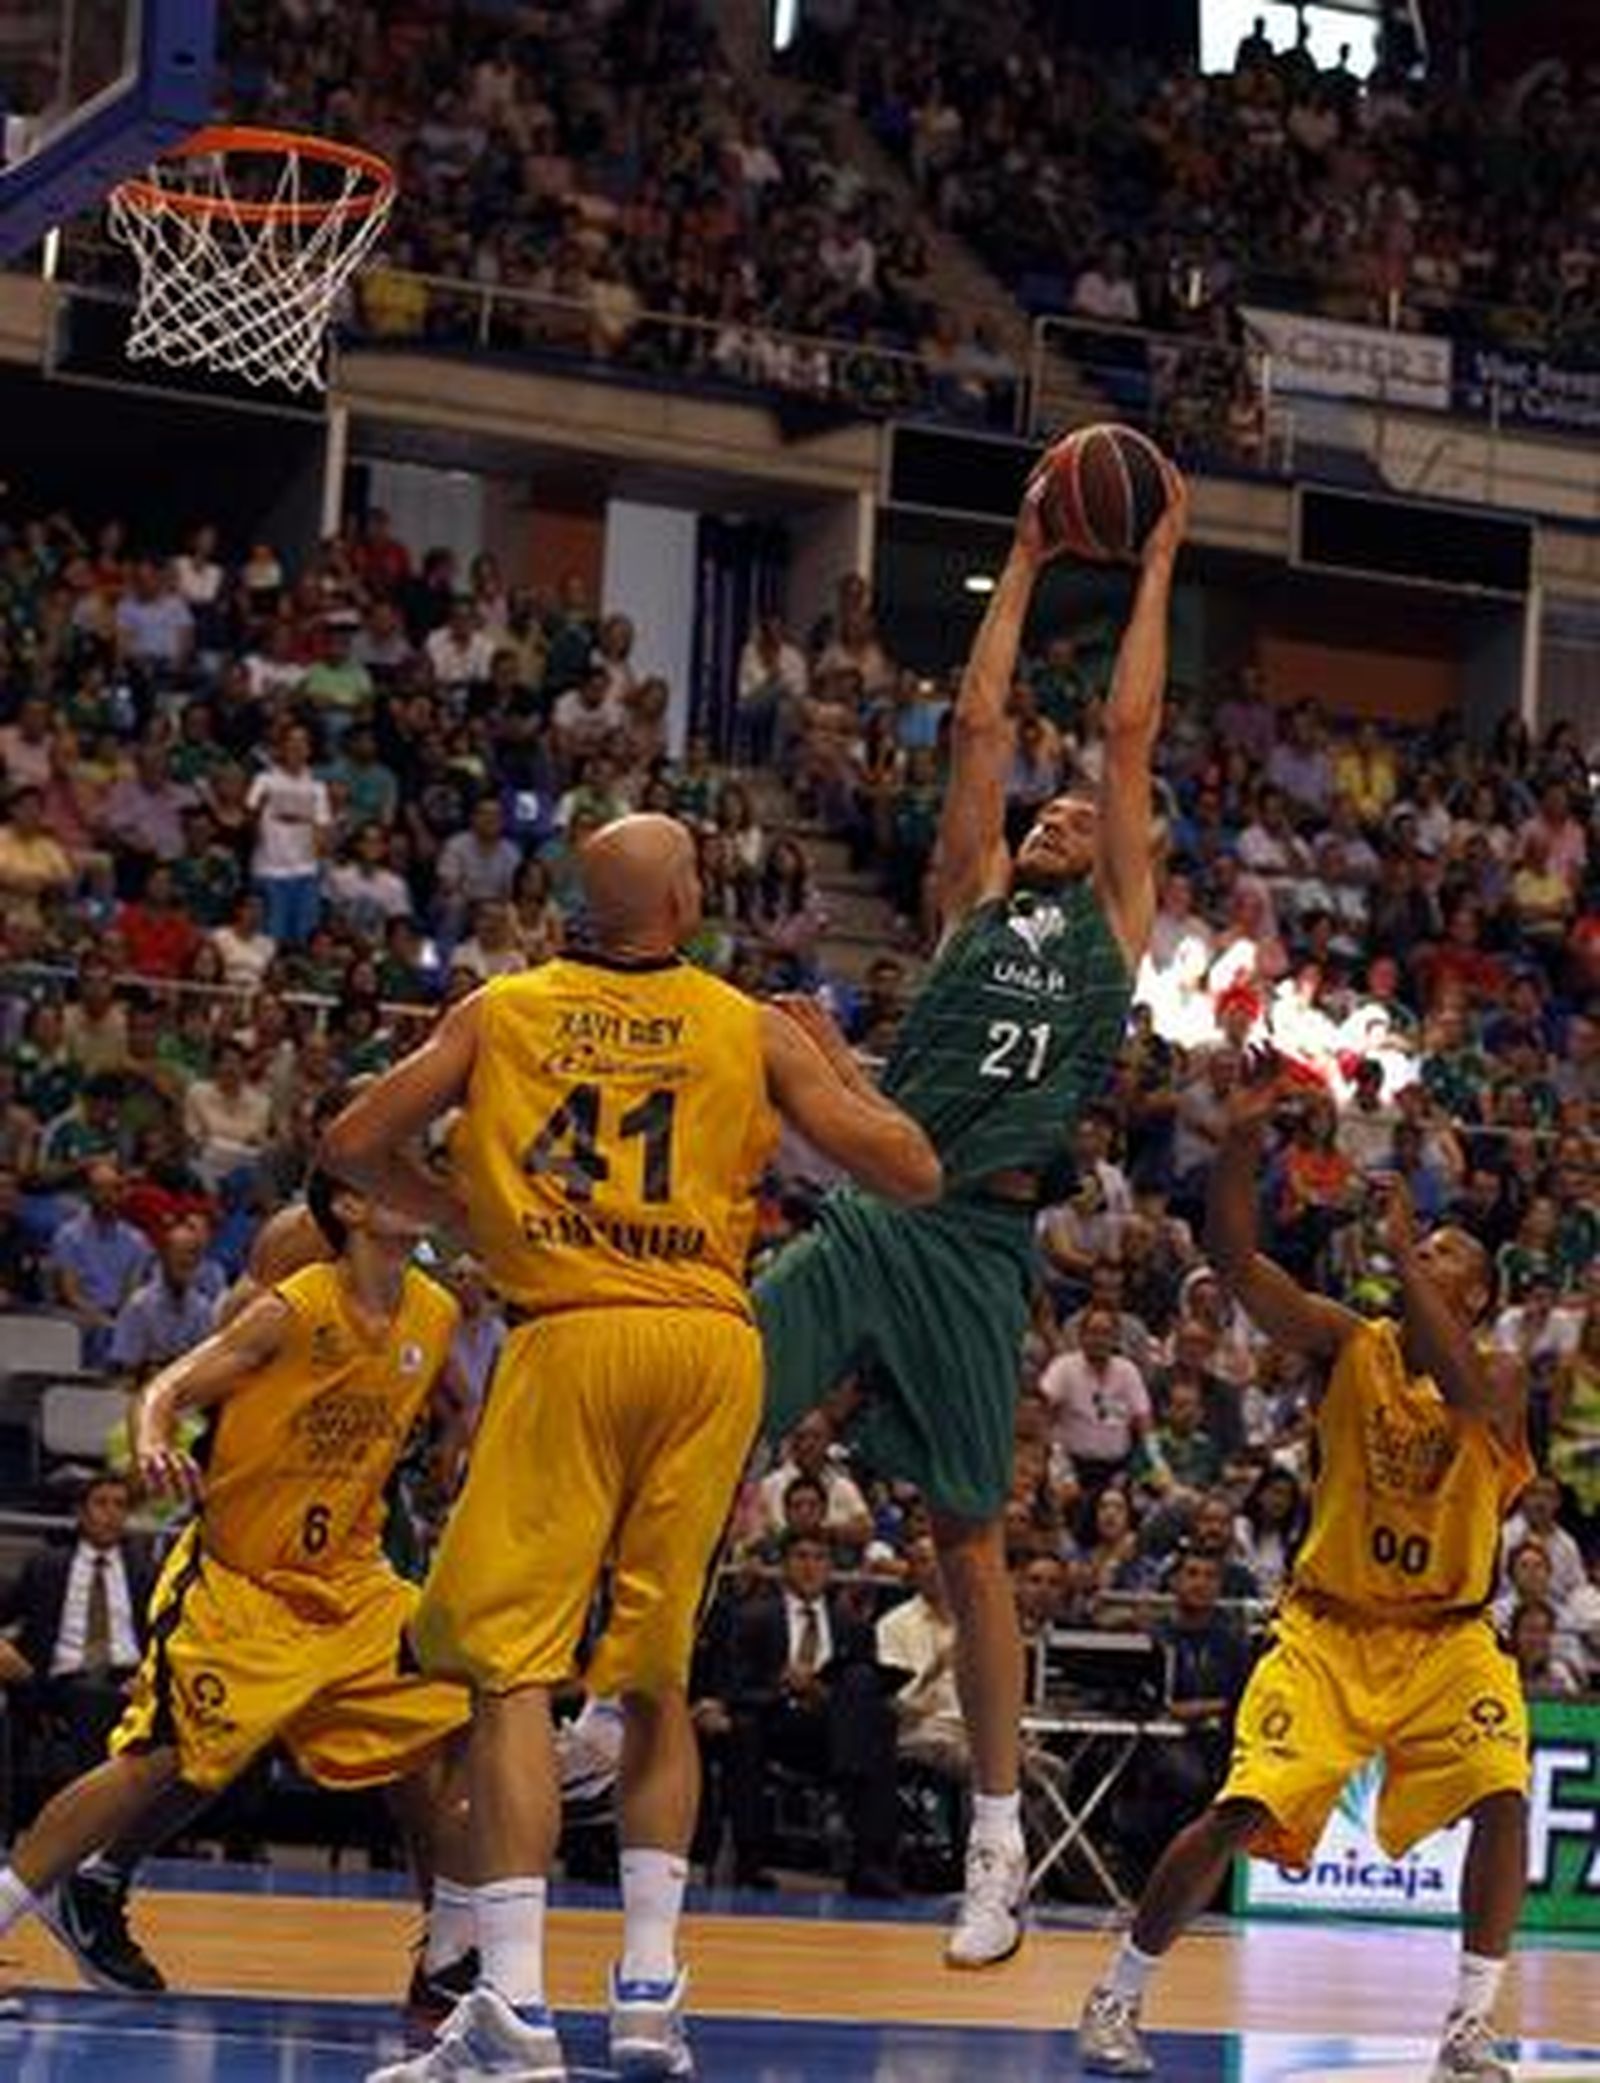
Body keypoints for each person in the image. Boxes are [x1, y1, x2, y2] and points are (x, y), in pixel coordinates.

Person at [320, 812, 941, 2082]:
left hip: (573, 1334)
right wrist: (848, 1069)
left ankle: (512, 2008)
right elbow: (912, 1171)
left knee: (509, 1674)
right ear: (687, 897)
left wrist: (461, 1213)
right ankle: (650, 1999)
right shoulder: (749, 1021)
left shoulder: (502, 1011)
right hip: (709, 1345)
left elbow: (346, 1144)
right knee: (652, 1678)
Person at [756, 464, 1185, 1967]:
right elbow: (986, 724)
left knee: (968, 1542)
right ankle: (604, 1681)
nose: (1065, 806)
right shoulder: (966, 894)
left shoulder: (1111, 931)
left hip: (984, 1244)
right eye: (1050, 808)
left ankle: (998, 1842)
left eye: (1086, 810)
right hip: (875, 1209)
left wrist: (1160, 554)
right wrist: (1017, 547)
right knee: (709, 1391)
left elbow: (1125, 730)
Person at [1077, 1071, 1533, 2083]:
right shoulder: (1347, 1343)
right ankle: (1117, 1993)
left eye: (1448, 1251)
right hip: (1328, 1630)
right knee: (1239, 1810)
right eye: (1426, 1243)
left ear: (1480, 1295)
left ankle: (1467, 2024)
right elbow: (1236, 1263)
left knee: (1501, 1792)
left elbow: (1458, 1384)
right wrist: (1239, 1147)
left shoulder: (1499, 1373)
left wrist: (1402, 1237)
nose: (1427, 1251)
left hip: (1449, 1638)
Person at [0, 1173, 478, 2029]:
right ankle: (50, 1893)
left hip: (350, 1578)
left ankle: (447, 1958)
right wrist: (152, 1437)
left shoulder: (435, 1310)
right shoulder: (289, 1301)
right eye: (393, 1174)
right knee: (162, 1753)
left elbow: (459, 1401)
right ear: (351, 1205)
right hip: (244, 1575)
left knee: (444, 1730)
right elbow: (172, 1385)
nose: (414, 1185)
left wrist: (449, 1452)